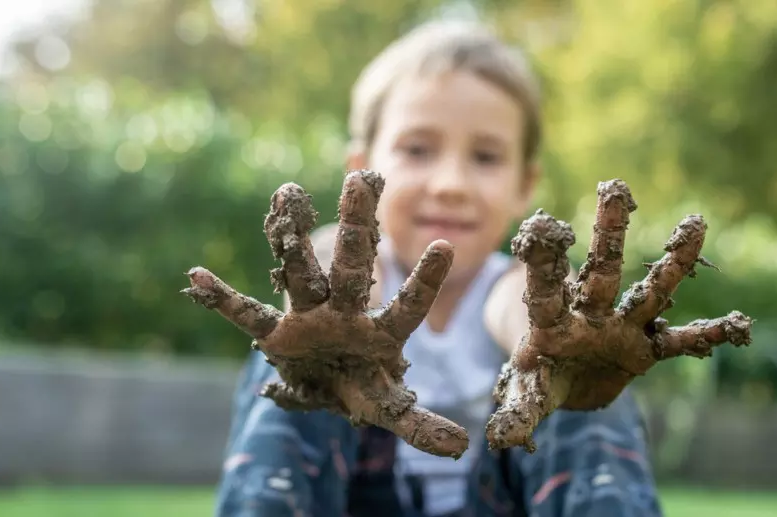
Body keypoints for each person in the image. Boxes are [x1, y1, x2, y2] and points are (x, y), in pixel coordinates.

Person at [214, 19, 663, 517]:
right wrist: (335, 314)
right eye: (417, 149)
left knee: (574, 360)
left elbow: (521, 309)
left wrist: (541, 341)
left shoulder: (517, 286)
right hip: (360, 499)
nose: (450, 182)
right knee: (302, 354)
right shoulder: (357, 283)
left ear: (524, 184)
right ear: (361, 168)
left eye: (486, 157)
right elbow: (324, 257)